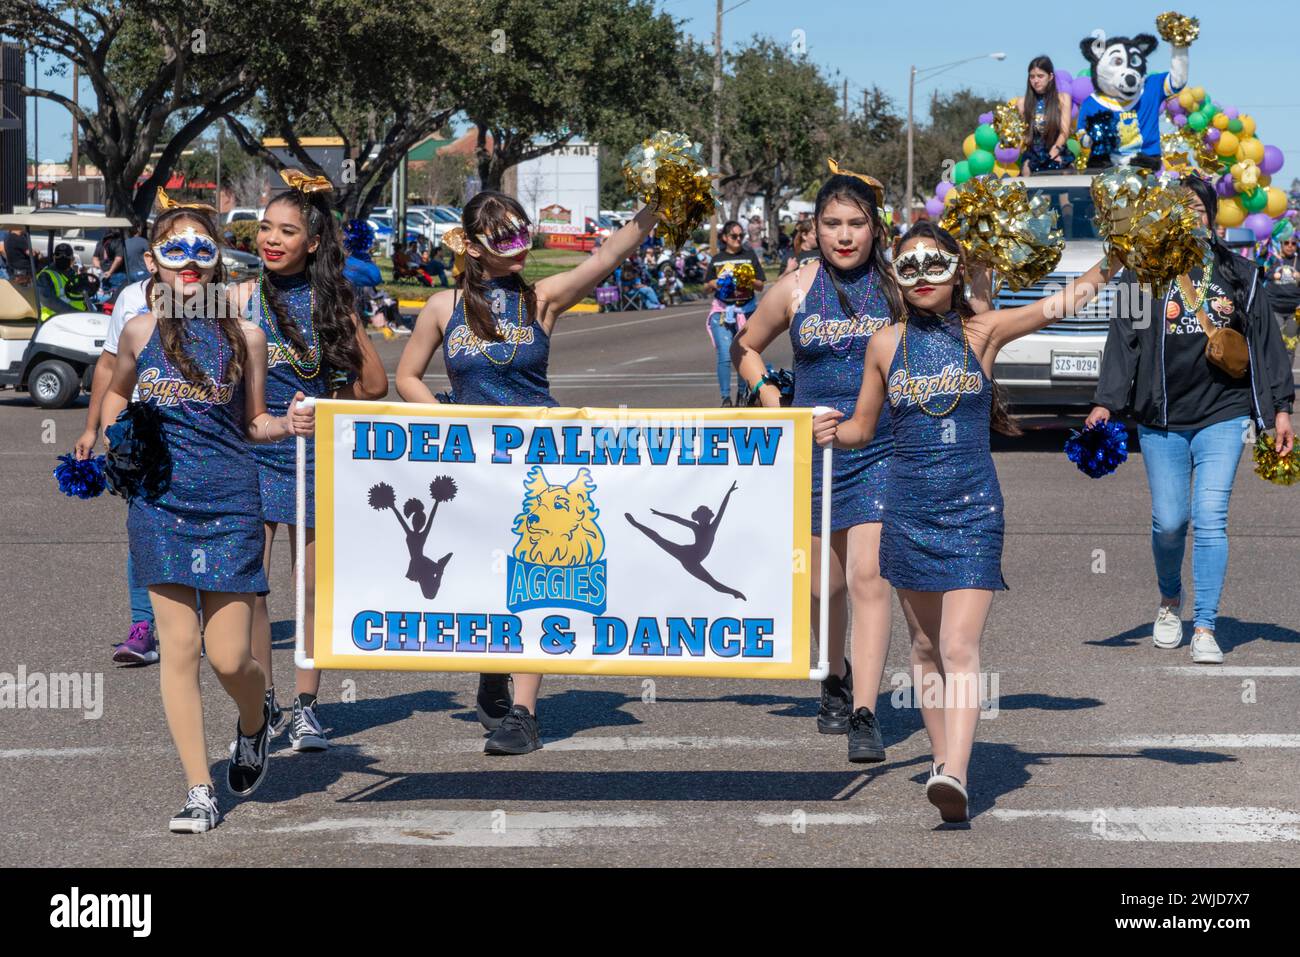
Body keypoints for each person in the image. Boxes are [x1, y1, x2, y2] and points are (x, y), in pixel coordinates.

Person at [814, 220, 1116, 822]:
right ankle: (942, 761)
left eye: (935, 264)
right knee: (924, 647)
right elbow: (861, 430)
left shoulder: (982, 331)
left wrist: (1122, 256)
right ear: (895, 277)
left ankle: (955, 770)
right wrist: (821, 431)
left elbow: (1065, 302)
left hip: (974, 508)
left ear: (956, 271)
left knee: (958, 643)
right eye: (909, 267)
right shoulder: (883, 345)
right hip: (905, 508)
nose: (923, 277)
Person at [395, 189, 662, 755]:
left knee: (533, 575)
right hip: (471, 465)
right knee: (483, 576)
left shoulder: (541, 300)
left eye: (524, 232)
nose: (521, 246)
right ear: (471, 245)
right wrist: (448, 422)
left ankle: (525, 712)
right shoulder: (444, 307)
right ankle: (496, 664)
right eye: (505, 237)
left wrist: (661, 203)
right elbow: (408, 376)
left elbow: (606, 256)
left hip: (539, 464)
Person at [100, 201, 315, 833]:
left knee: (230, 658)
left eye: (202, 250)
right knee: (179, 649)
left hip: (230, 502)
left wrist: (291, 422)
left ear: (218, 259)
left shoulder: (245, 334)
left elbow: (255, 423)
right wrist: (116, 434)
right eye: (175, 249)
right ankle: (200, 789)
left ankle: (254, 724)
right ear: (153, 262)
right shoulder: (139, 330)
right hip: (159, 505)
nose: (189, 263)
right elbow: (114, 388)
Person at [733, 168, 906, 763]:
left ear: (875, 228)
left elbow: (964, 322)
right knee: (820, 586)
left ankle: (864, 710)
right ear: (814, 229)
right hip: (812, 453)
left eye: (857, 223)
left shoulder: (897, 287)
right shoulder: (796, 288)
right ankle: (833, 675)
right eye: (832, 223)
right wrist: (769, 396)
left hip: (882, 451)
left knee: (867, 576)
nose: (845, 235)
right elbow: (746, 345)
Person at [1087, 175, 1295, 665]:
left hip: (1222, 415)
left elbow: (1265, 342)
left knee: (1210, 518)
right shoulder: (1140, 275)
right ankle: (1168, 600)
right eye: (1178, 206)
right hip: (1161, 418)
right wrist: (1106, 402)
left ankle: (1205, 625)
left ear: (1211, 214)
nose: (1190, 214)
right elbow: (1124, 340)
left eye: (1198, 207)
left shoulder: (1239, 273)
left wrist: (1280, 409)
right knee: (1169, 521)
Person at [230, 171, 388, 753]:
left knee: (310, 588)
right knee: (248, 585)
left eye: (287, 231)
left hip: (308, 455)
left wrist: (320, 406)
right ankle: (264, 705)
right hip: (248, 447)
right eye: (266, 227)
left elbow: (374, 384)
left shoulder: (331, 300)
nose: (272, 239)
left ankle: (306, 708)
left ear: (313, 242)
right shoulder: (241, 297)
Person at [75, 261, 160, 664]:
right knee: (142, 529)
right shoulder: (130, 297)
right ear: (151, 258)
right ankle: (143, 627)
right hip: (140, 432)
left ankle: (198, 620)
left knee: (199, 528)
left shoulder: (215, 301)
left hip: (201, 436)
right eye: (173, 245)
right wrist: (95, 429)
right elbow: (109, 368)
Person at [705, 221, 766, 406]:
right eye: (734, 236)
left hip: (746, 311)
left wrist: (747, 279)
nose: (738, 239)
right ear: (725, 237)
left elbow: (761, 284)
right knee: (724, 355)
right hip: (722, 312)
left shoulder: (749, 255)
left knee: (743, 355)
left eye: (741, 236)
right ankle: (725, 398)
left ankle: (742, 394)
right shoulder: (717, 259)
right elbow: (706, 287)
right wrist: (717, 283)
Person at [342, 225, 405, 338]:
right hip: (359, 305)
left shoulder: (356, 264)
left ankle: (398, 324)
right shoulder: (354, 268)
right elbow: (369, 290)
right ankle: (398, 324)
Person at [1015, 56, 1073, 174]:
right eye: (1032, 77)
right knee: (1027, 169)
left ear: (1050, 77)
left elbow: (1064, 131)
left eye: (1040, 76)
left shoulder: (1063, 98)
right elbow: (1023, 134)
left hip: (1057, 151)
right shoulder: (1022, 102)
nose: (1036, 80)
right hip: (1034, 156)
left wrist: (1056, 149)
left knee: (1066, 172)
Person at [35, 243, 90, 320]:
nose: (63, 258)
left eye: (66, 255)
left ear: (72, 259)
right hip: (54, 319)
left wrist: (84, 277)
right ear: (54, 258)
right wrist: (75, 313)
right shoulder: (45, 276)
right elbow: (49, 300)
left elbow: (85, 293)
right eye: (59, 255)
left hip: (77, 318)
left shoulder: (74, 274)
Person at [1264, 234, 1300, 351]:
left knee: (1291, 344)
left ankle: (1287, 370)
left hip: (1296, 311)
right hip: (1275, 309)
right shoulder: (1273, 259)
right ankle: (1276, 369)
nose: (1290, 246)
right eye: (1286, 243)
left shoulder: (1298, 261)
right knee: (1275, 344)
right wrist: (1271, 274)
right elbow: (1261, 272)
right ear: (1281, 244)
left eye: (1293, 243)